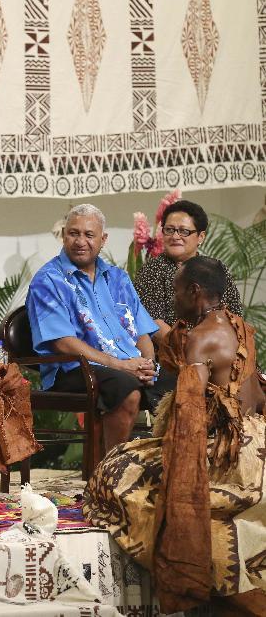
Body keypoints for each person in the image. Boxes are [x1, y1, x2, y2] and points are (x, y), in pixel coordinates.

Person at [84, 256, 266, 615]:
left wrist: (180, 478)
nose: (173, 299)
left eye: (177, 291)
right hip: (257, 439)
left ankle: (207, 584)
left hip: (223, 450)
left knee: (115, 471)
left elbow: (189, 412)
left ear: (195, 291)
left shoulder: (200, 338)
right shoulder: (241, 325)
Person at [26, 203, 174, 454]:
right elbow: (63, 342)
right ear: (64, 235)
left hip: (126, 366)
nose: (80, 241)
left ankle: (162, 471)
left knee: (181, 387)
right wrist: (120, 365)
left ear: (103, 239)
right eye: (73, 233)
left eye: (88, 234)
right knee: (126, 389)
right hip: (74, 368)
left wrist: (146, 364)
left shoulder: (118, 278)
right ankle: (109, 473)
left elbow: (141, 332)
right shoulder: (48, 280)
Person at [133, 199, 243, 344]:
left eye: (184, 231)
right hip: (175, 354)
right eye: (169, 229)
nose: (175, 236)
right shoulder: (152, 270)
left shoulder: (215, 268)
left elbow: (235, 316)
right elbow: (154, 323)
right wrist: (193, 350)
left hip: (222, 347)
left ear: (201, 237)